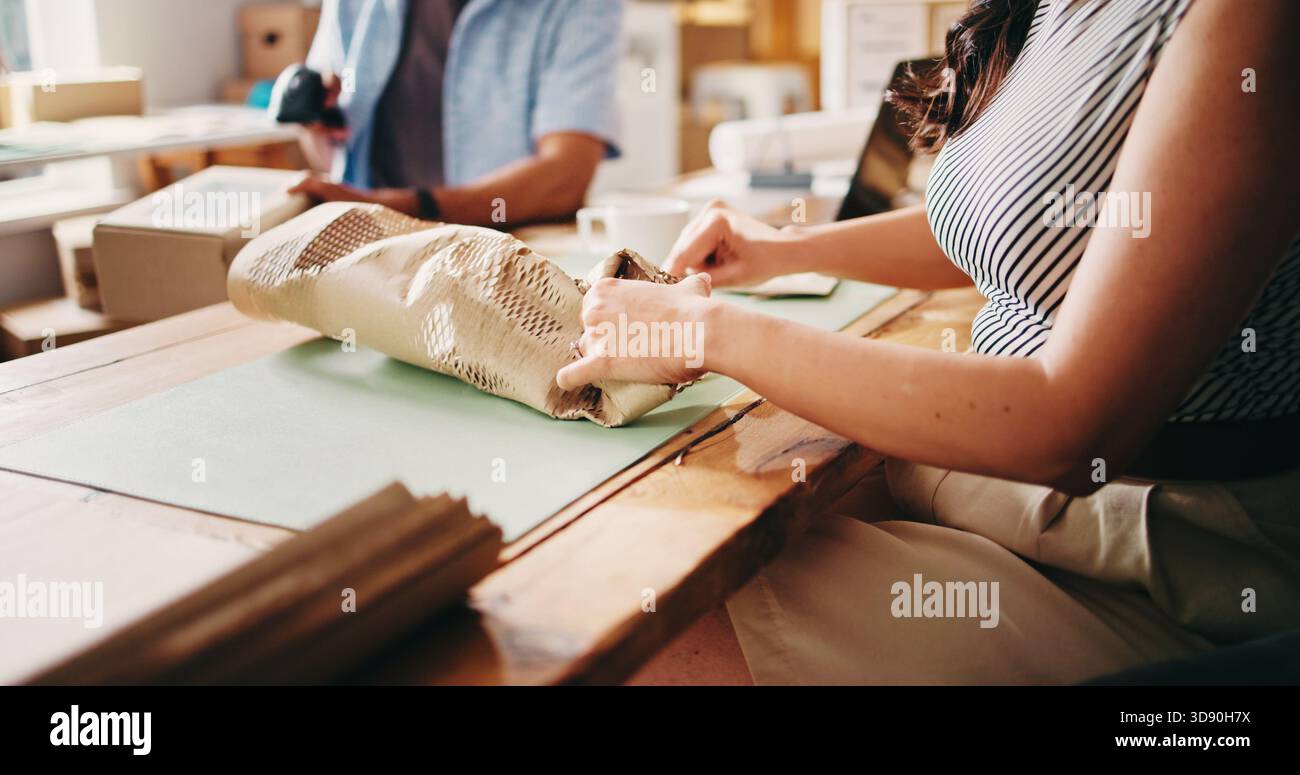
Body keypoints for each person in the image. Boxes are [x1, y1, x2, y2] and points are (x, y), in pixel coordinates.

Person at [558, 0, 1300, 684]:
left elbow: (1071, 425)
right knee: (627, 558)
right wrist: (788, 248)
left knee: (648, 638)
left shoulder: (1247, 23)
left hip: (1146, 556)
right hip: (988, 494)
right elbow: (1033, 219)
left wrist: (704, 329)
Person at [289, 0, 623, 226]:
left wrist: (399, 210)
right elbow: (324, 147)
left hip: (509, 261)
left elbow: (564, 177)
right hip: (365, 255)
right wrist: (318, 123)